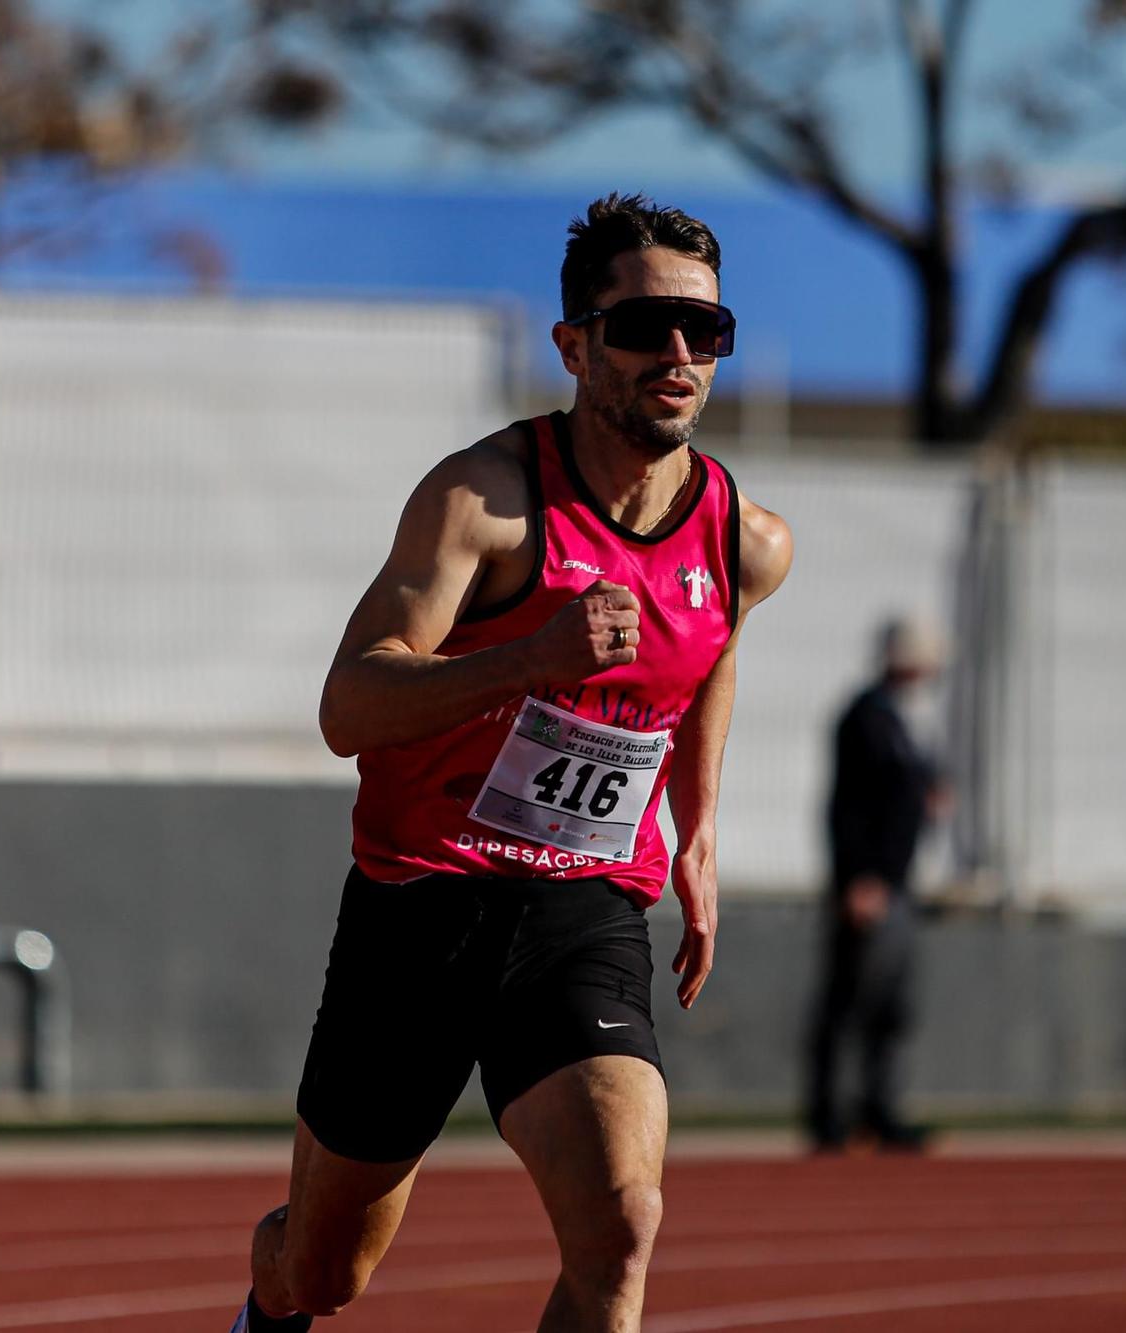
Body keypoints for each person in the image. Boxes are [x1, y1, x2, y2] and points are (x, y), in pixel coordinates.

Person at [232, 192, 792, 1333]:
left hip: (580, 908)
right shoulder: (482, 503)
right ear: (575, 345)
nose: (678, 356)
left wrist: (699, 833)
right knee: (323, 1271)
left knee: (622, 1222)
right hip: (420, 906)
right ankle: (265, 1306)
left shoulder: (743, 536)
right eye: (643, 329)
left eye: (706, 331)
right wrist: (528, 657)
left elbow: (710, 651)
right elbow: (348, 704)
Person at [806, 617, 949, 1154]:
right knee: (849, 996)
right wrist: (859, 878)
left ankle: (878, 1105)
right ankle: (829, 1114)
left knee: (890, 1002)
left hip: (898, 882)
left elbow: (910, 787)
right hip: (871, 884)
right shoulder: (866, 716)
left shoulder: (910, 718)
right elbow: (848, 805)